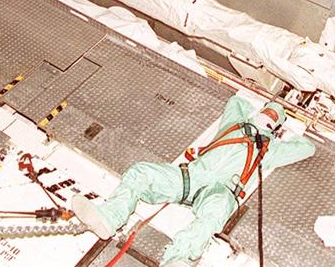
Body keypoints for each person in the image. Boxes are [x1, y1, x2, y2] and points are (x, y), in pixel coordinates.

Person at [71, 95, 315, 267]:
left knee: (217, 212)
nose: (268, 116)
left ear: (276, 127)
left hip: (220, 190)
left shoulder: (270, 150)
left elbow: (307, 148)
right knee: (141, 172)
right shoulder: (233, 124)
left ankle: (179, 258)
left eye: (273, 117)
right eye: (267, 111)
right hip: (192, 176)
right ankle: (109, 217)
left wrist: (279, 134)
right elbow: (236, 101)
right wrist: (256, 114)